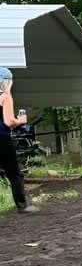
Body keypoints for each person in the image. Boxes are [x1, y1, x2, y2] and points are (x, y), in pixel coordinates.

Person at [0, 66, 38, 213]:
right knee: (14, 174)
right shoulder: (5, 96)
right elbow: (9, 121)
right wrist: (21, 120)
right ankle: (22, 206)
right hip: (2, 139)